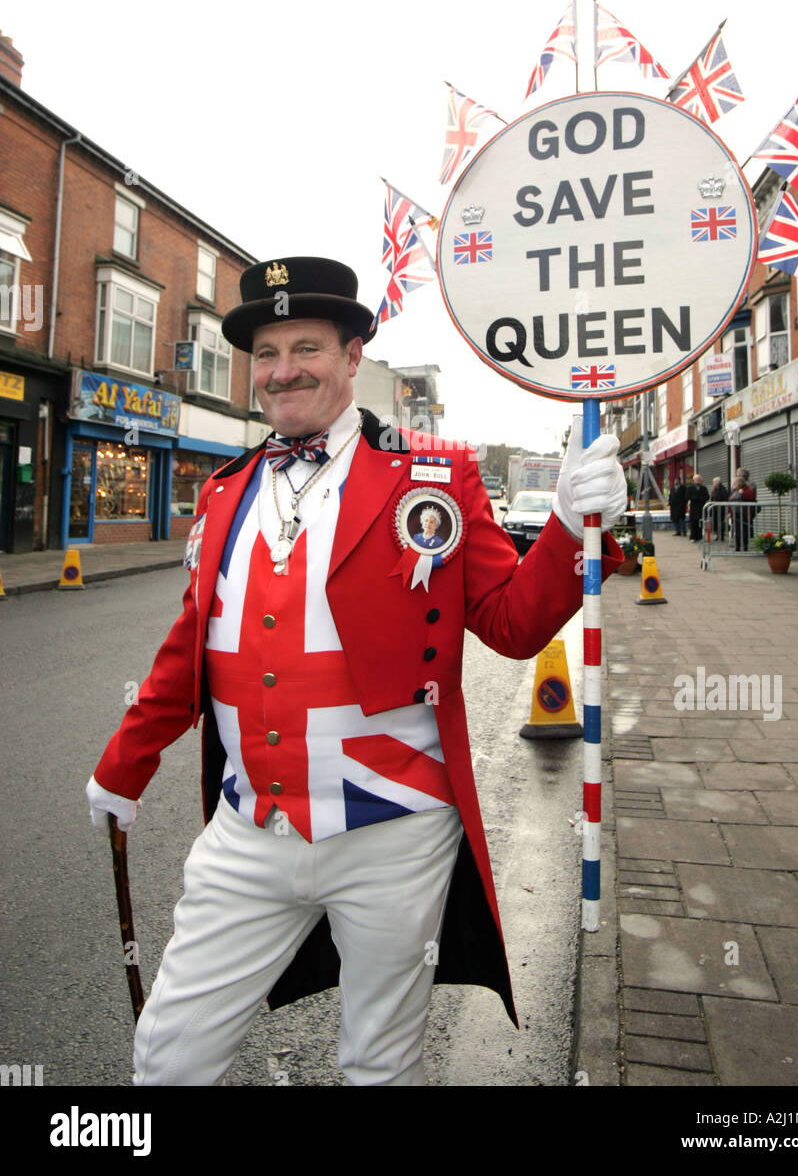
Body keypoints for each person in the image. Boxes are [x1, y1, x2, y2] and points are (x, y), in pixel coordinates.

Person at [85, 255, 627, 1087]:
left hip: (394, 834)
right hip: (247, 835)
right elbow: (191, 646)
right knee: (168, 1055)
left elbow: (515, 628)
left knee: (379, 1063)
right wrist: (124, 764)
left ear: (350, 357)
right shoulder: (226, 490)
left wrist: (562, 524)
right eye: (266, 353)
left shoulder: (435, 474)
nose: (283, 369)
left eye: (306, 346)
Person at [730, 469, 757, 552]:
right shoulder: (735, 489)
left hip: (745, 512)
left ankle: (745, 546)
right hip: (736, 512)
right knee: (737, 529)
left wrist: (742, 493)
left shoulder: (749, 487)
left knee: (745, 529)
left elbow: (752, 496)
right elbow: (730, 499)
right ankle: (737, 546)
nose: (737, 475)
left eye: (738, 474)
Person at [687, 473, 710, 542]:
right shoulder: (690, 488)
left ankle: (700, 537)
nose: (698, 481)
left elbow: (707, 497)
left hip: (701, 508)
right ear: (694, 480)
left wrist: (701, 499)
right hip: (693, 508)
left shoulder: (704, 488)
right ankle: (693, 537)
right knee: (693, 522)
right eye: (696, 479)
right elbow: (687, 496)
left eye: (699, 479)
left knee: (700, 522)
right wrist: (694, 498)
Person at [709, 476, 729, 541]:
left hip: (721, 509)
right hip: (714, 509)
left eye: (714, 482)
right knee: (715, 522)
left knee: (720, 522)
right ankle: (717, 535)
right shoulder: (714, 490)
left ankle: (721, 535)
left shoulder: (723, 489)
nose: (713, 483)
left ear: (717, 482)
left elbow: (725, 498)